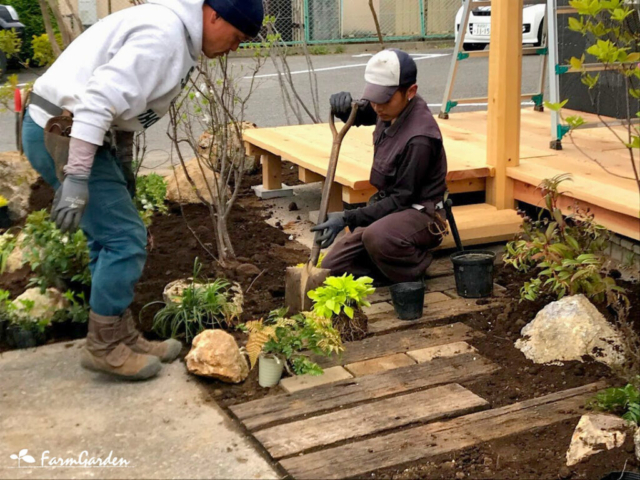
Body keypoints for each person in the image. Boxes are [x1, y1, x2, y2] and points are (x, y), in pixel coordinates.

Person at [21, 0, 264, 380]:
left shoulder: (177, 36)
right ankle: (103, 346)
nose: (235, 49)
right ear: (214, 15)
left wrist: (123, 165)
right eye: (237, 37)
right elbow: (98, 101)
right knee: (125, 238)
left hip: (79, 132)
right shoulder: (163, 37)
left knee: (110, 237)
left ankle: (119, 335)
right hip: (64, 132)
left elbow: (125, 111)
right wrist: (78, 178)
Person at [313, 49, 448, 287]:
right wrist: (345, 107)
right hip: (389, 211)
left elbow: (400, 200)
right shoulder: (388, 109)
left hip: (420, 213)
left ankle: (414, 267)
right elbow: (365, 112)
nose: (377, 106)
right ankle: (385, 264)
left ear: (411, 92)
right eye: (374, 98)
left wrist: (347, 217)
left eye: (384, 100)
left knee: (378, 237)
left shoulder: (420, 138)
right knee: (332, 268)